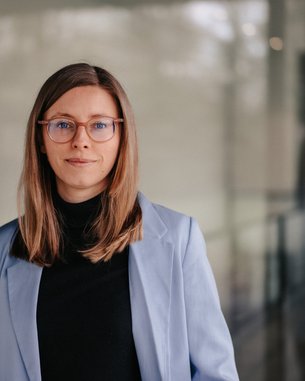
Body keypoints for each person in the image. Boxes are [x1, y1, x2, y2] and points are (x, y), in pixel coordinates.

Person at [0, 63, 239, 381]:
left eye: (99, 125)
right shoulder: (4, 249)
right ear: (41, 139)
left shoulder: (178, 239)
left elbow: (215, 373)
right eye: (62, 124)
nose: (81, 140)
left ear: (122, 137)